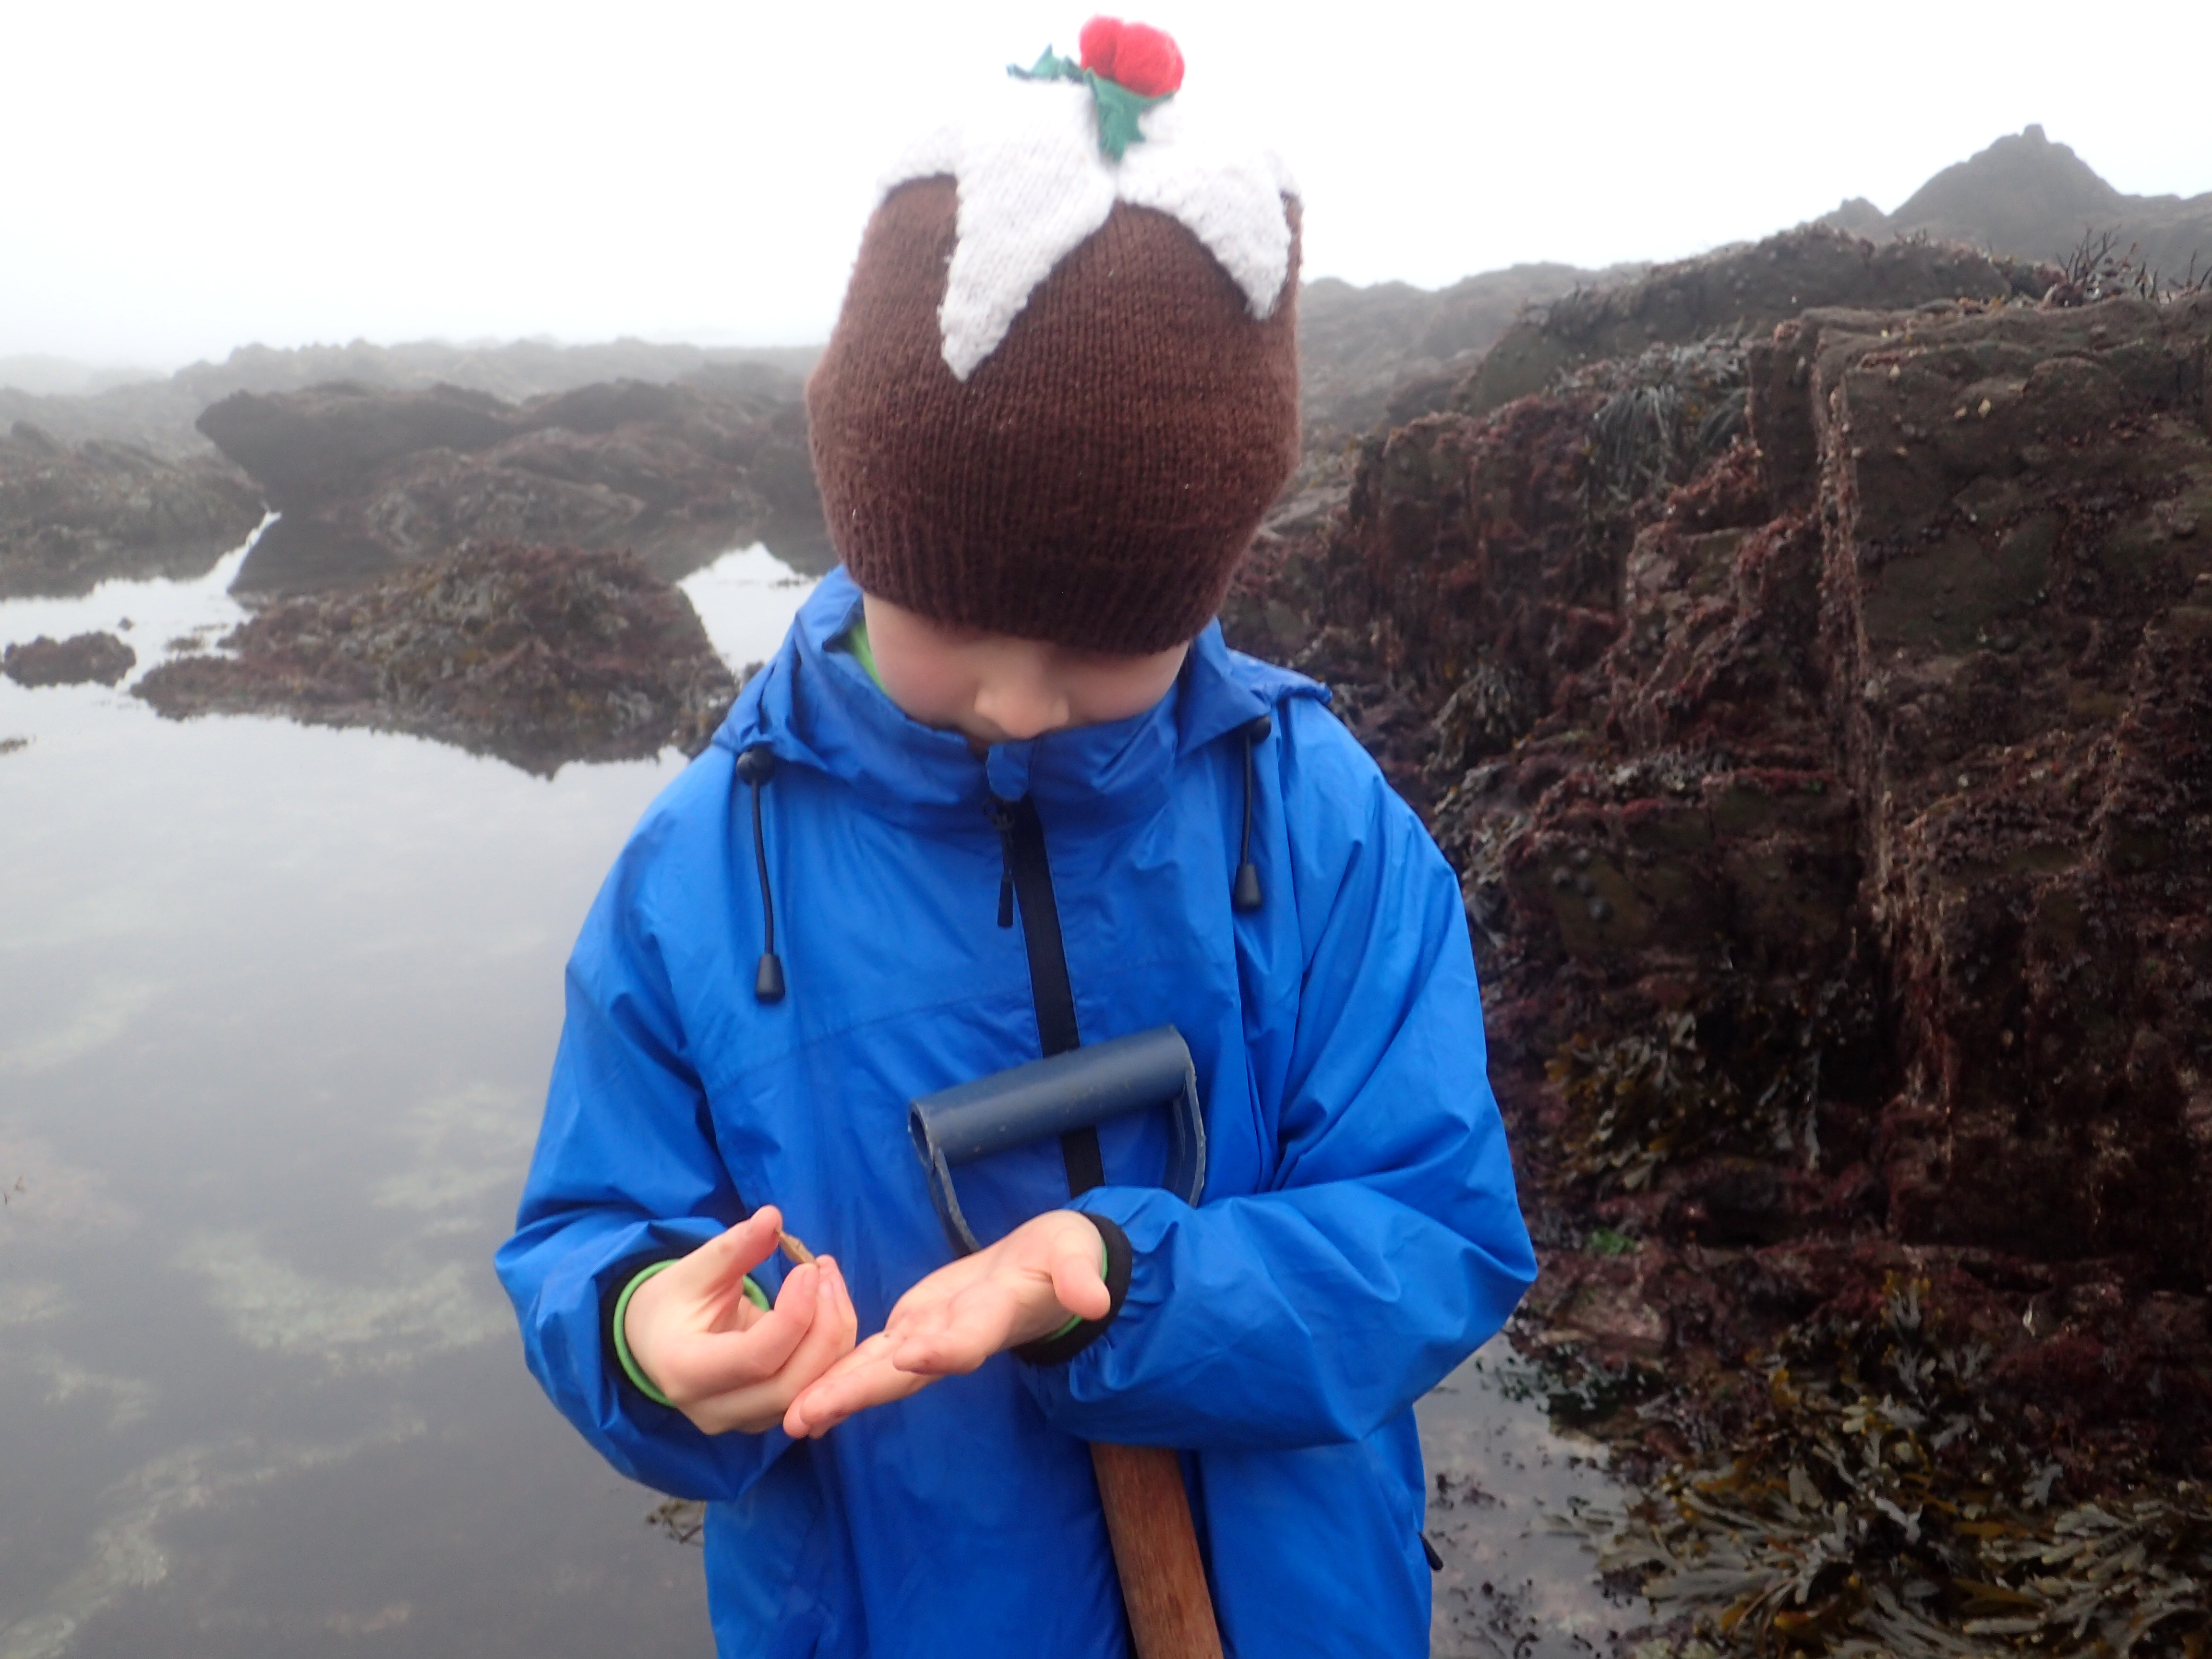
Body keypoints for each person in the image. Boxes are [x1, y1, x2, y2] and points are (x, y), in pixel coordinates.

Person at [496, 20, 1536, 1658]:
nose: (1025, 704)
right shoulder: (700, 880)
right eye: (957, 625)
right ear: (864, 530)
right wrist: (648, 1338)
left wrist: (1124, 1280)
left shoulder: (1319, 821)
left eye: (1106, 649)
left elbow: (1438, 1225)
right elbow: (586, 1233)